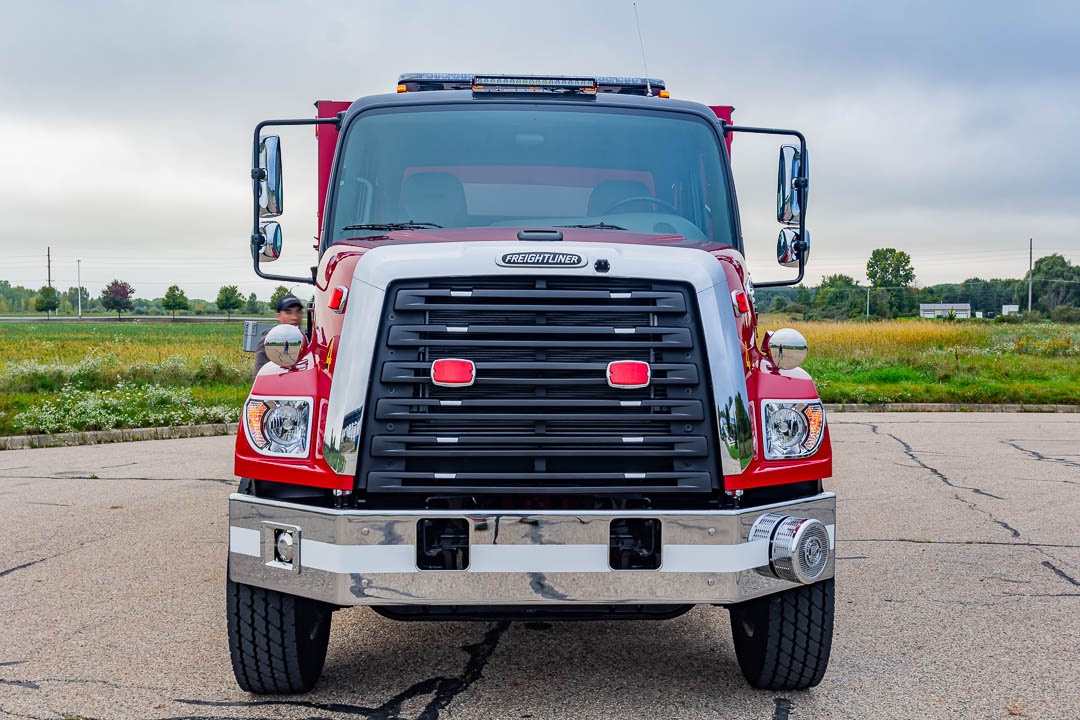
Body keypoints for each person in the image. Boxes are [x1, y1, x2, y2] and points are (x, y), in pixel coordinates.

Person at [253, 295, 304, 377]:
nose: (295, 317)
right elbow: (260, 375)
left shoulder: (306, 339)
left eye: (298, 311)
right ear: (278, 316)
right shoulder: (270, 341)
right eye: (288, 312)